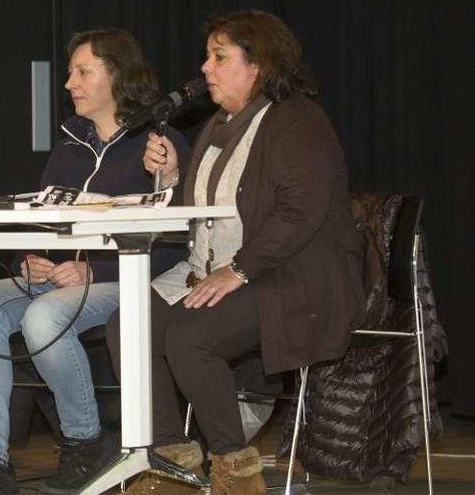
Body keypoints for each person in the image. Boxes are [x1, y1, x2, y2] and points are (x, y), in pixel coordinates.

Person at [105, 10, 365, 495]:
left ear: (258, 65)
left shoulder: (297, 121)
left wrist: (240, 269)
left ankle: (234, 468)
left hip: (292, 277)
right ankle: (172, 463)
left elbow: (300, 211)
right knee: (129, 325)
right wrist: (171, 175)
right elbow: (202, 212)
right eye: (207, 56)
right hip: (219, 270)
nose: (205, 67)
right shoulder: (219, 124)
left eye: (219, 57)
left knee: (190, 338)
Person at [0, 28, 188, 495]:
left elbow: (176, 244)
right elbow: (42, 220)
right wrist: (29, 259)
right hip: (61, 281)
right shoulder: (70, 146)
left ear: (117, 76)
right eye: (71, 72)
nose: (69, 83)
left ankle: (85, 442)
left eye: (82, 72)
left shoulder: (159, 146)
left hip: (128, 280)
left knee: (46, 314)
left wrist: (95, 271)